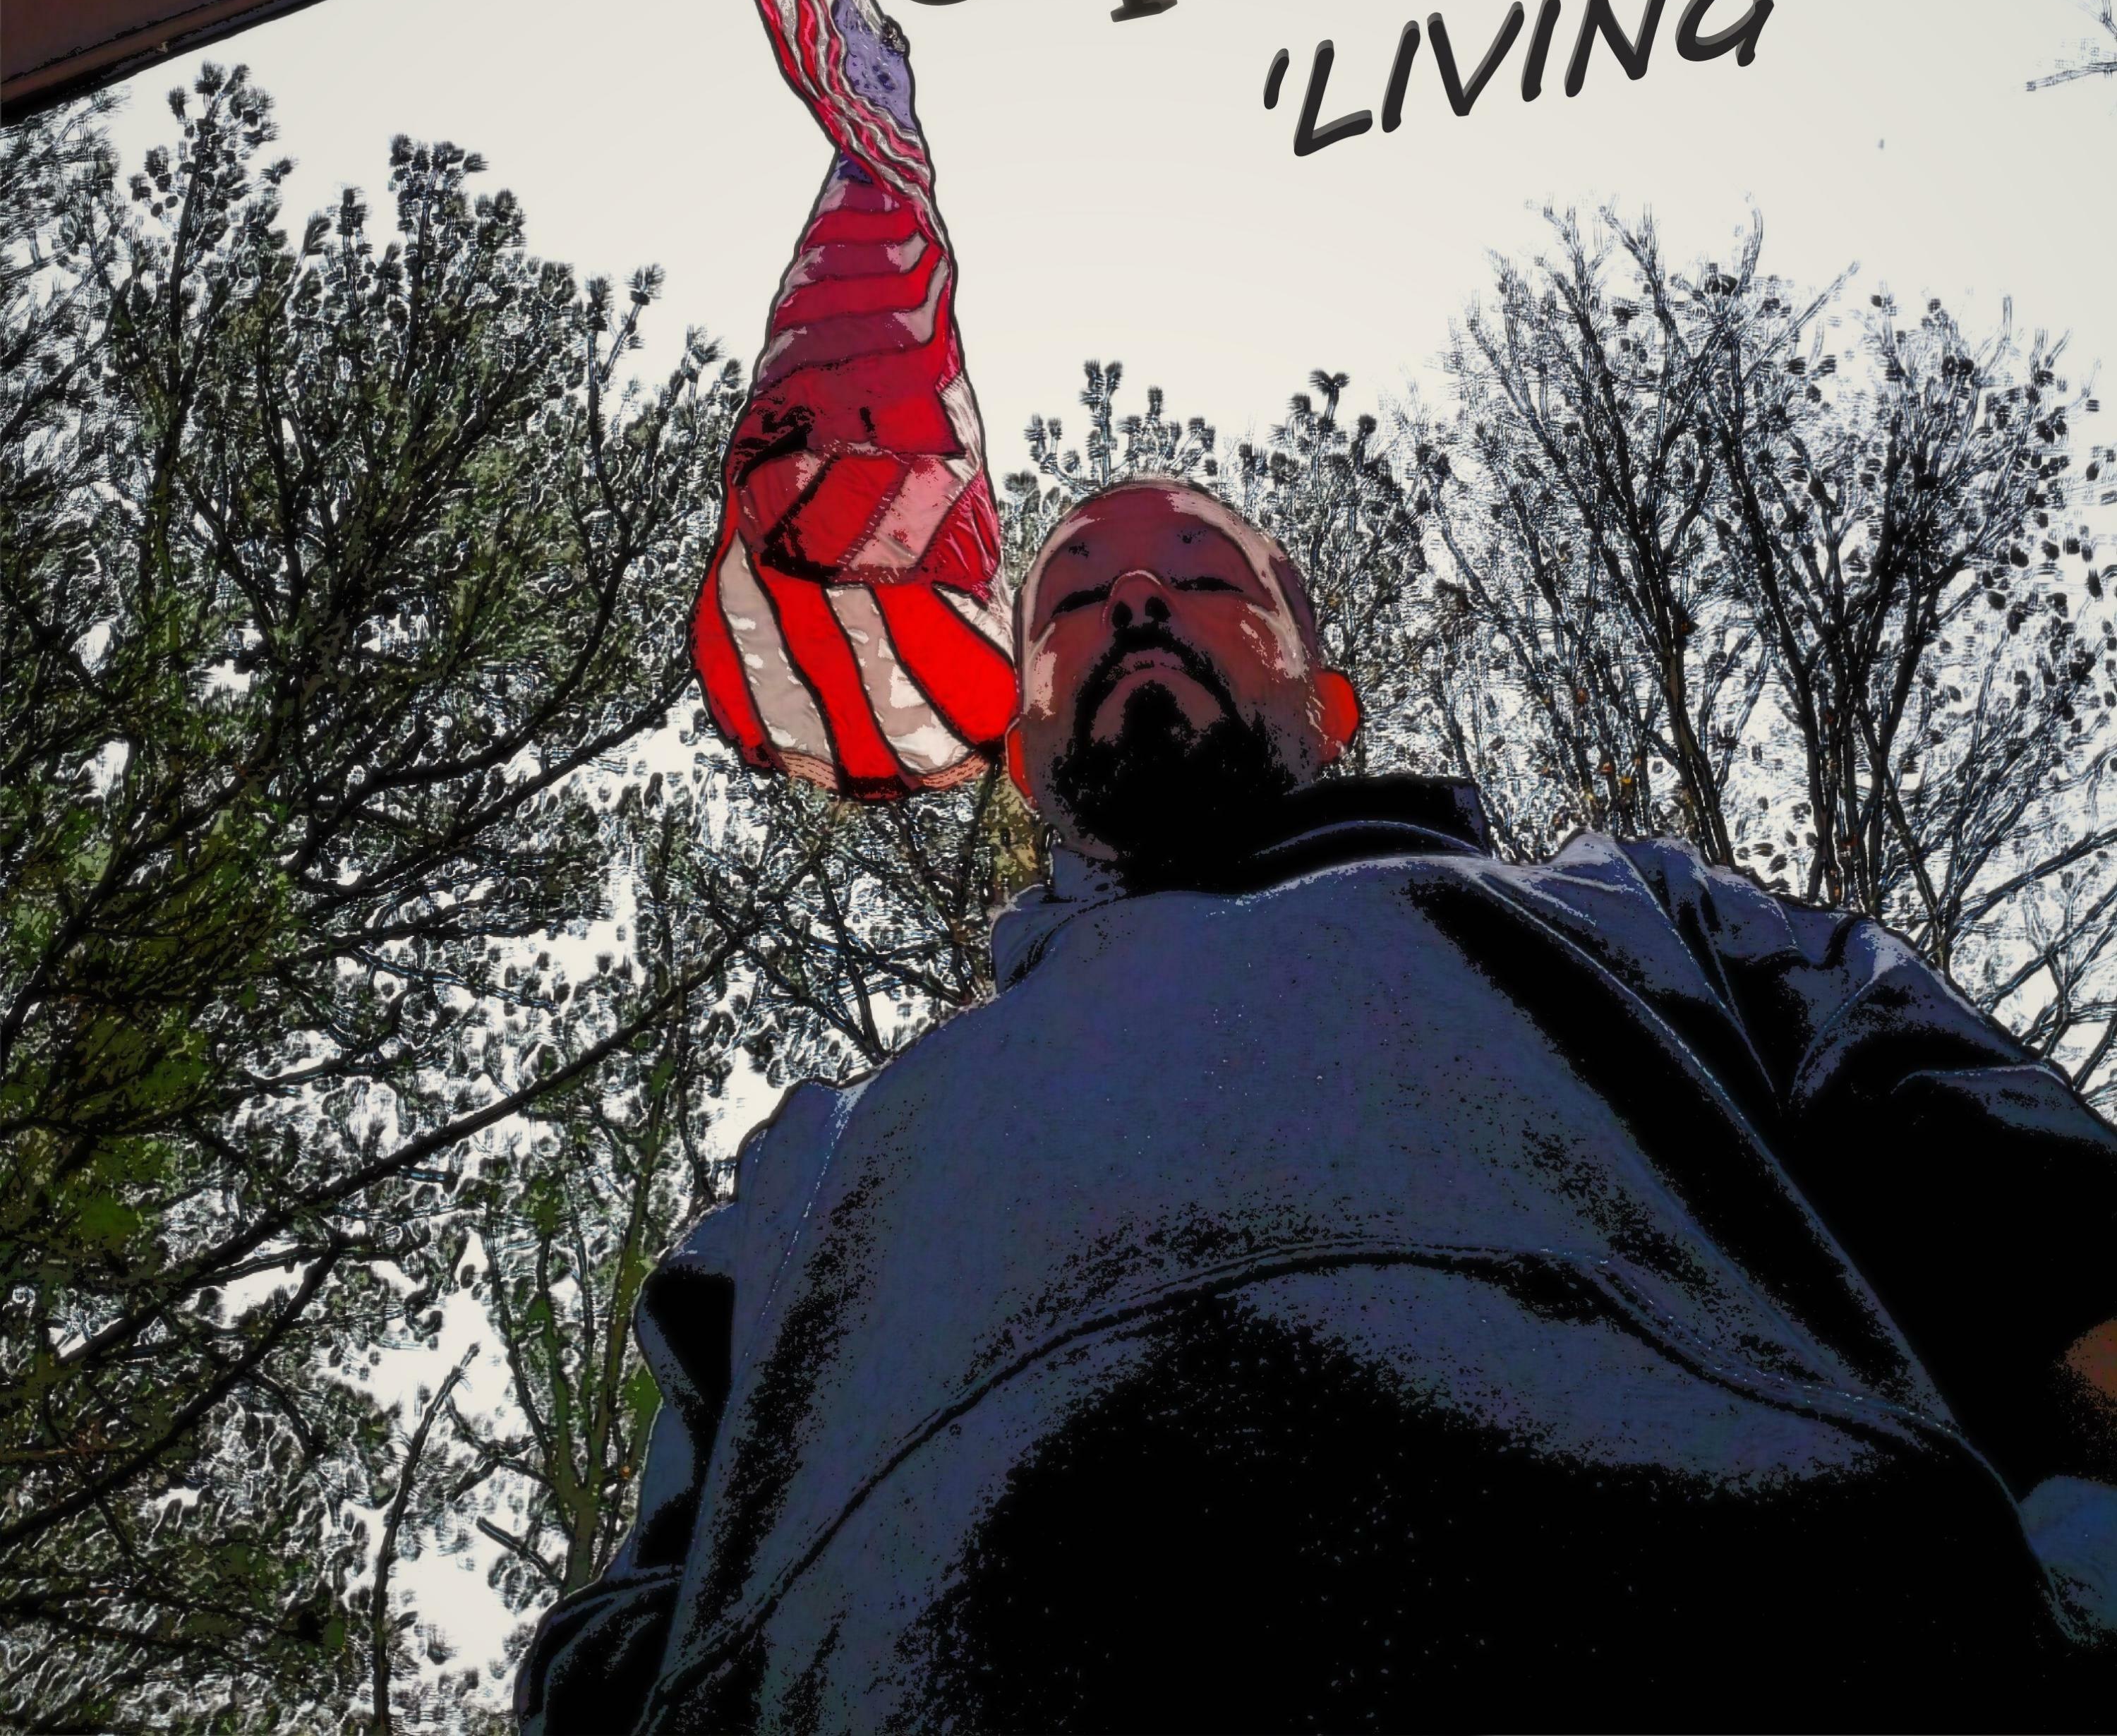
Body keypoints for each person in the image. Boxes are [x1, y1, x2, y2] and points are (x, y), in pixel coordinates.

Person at [519, 478, 2117, 1736]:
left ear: (1330, 698)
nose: (1134, 596)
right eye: (1071, 597)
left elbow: (2048, 1229)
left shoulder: (1644, 915)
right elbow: (633, 1641)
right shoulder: (822, 1160)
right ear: (1019, 746)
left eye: (1202, 573)